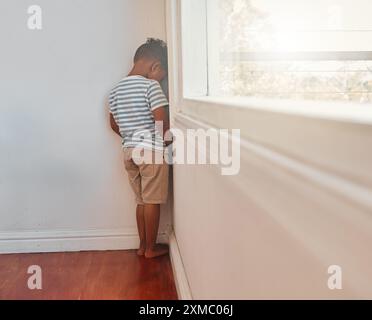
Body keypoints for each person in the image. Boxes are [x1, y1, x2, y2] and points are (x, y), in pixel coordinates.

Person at [108, 38, 170, 258]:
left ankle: (142, 246)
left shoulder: (115, 90)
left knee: (142, 201)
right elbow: (160, 121)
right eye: (162, 76)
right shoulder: (151, 86)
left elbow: (114, 124)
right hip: (151, 151)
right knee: (153, 200)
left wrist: (130, 137)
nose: (161, 81)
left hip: (129, 152)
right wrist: (167, 140)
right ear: (155, 66)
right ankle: (151, 249)